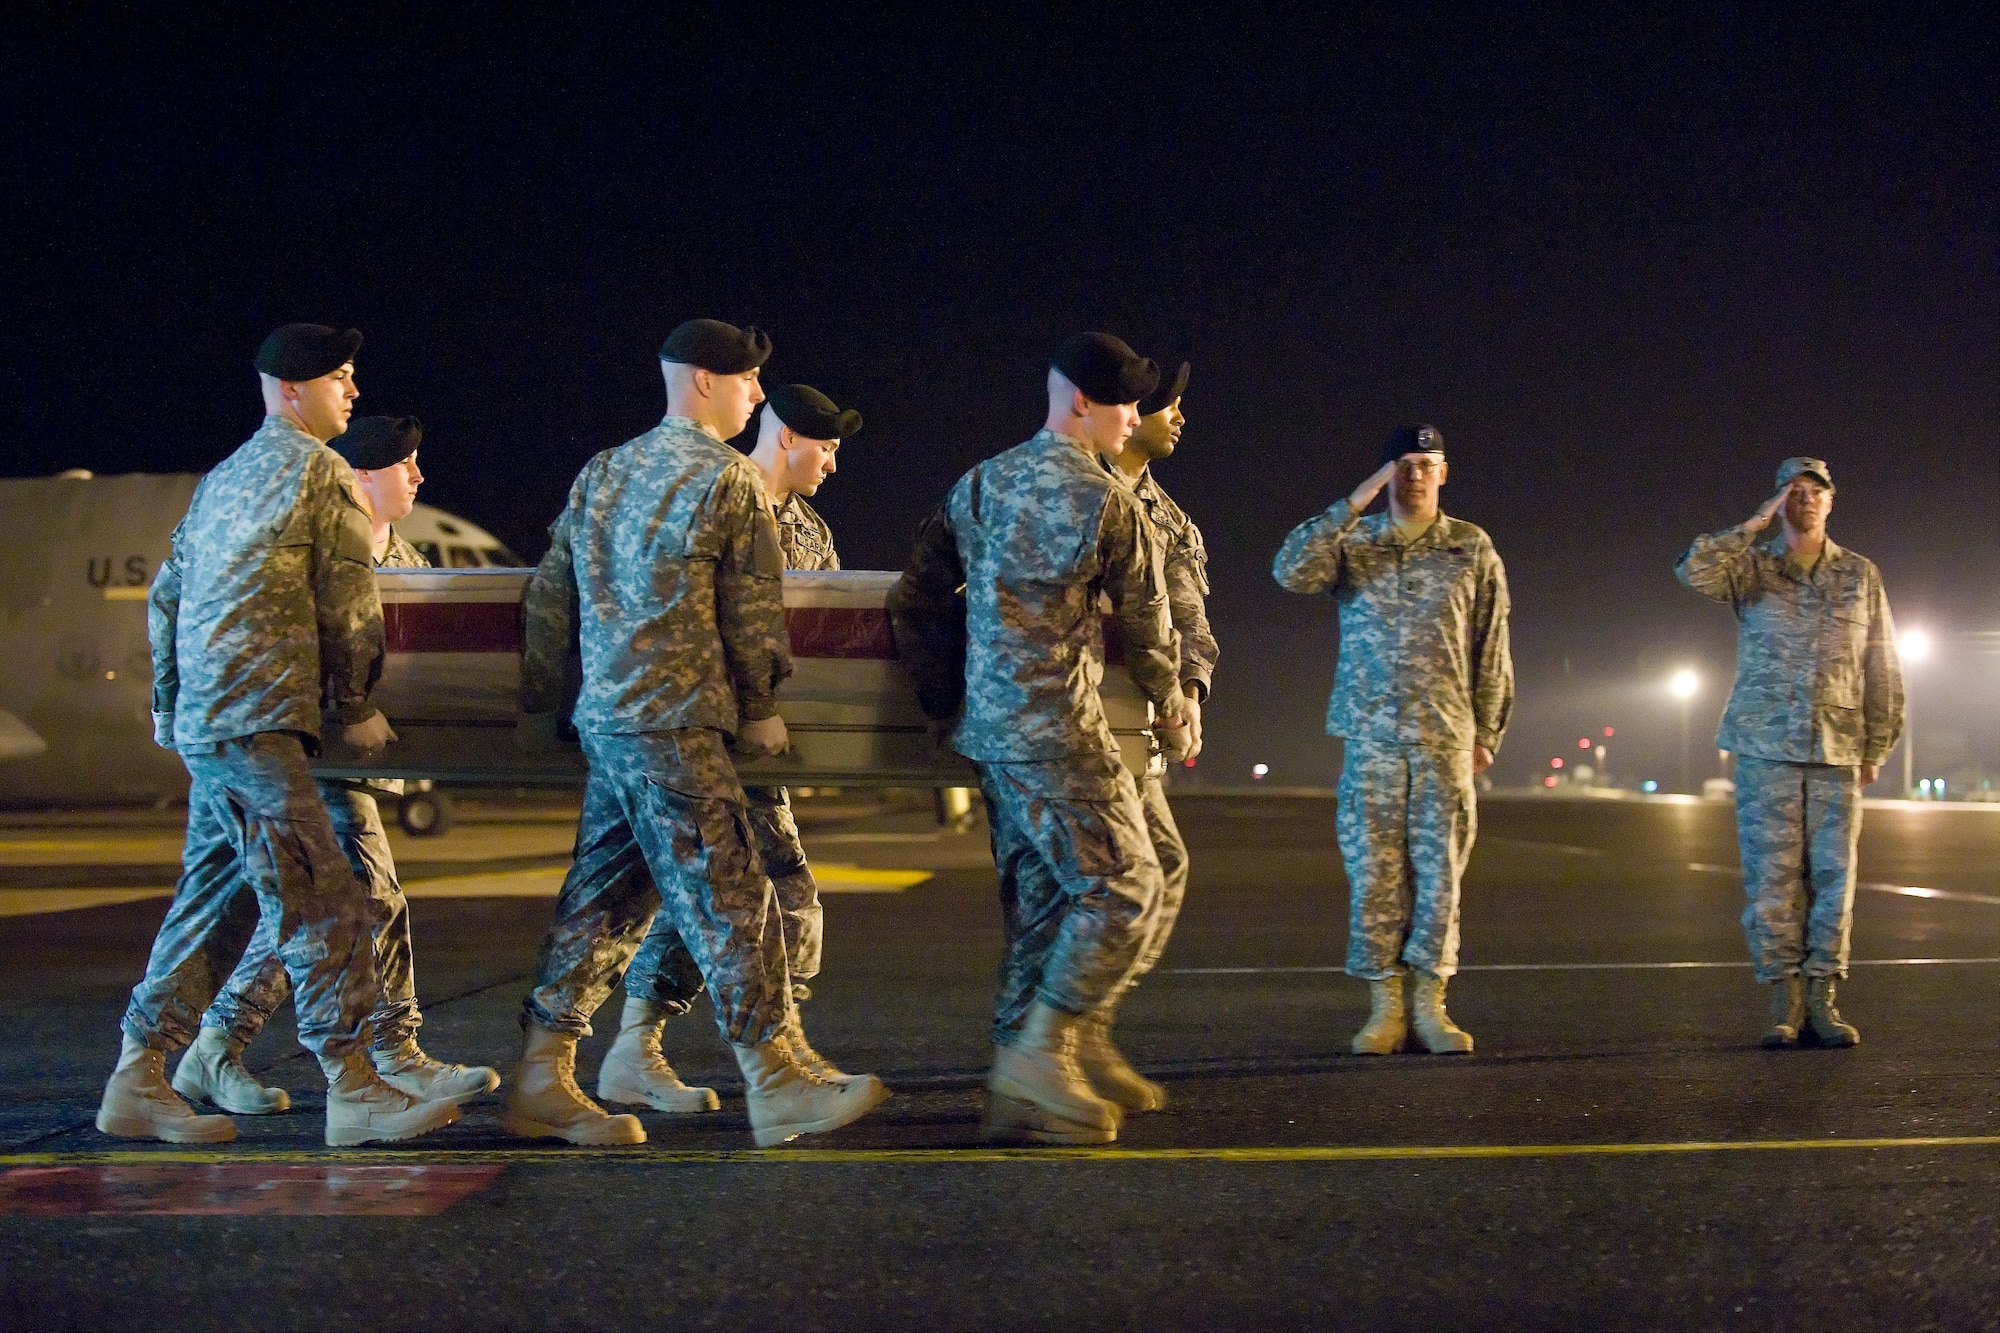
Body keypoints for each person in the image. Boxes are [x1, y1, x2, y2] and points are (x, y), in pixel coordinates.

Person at [506, 319, 888, 1147]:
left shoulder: (604, 470)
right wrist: (760, 707)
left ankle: (542, 1072)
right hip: (680, 720)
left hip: (609, 720)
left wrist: (543, 701)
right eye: (749, 381)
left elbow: (548, 591)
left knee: (605, 902)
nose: (756, 395)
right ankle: (778, 1078)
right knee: (736, 893)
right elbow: (753, 616)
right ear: (707, 381)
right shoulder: (728, 480)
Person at [98, 324, 462, 1147]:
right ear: (291, 390)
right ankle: (356, 1086)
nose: (354, 391)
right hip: (262, 717)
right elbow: (346, 600)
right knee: (324, 902)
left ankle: (139, 1075)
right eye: (340, 377)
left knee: (215, 906)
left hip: (212, 720)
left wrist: (169, 703)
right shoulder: (319, 471)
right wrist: (358, 702)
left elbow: (167, 594)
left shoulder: (224, 478)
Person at [889, 332, 1190, 1145]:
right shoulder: (1107, 501)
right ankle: (1040, 1053)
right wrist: (1171, 700)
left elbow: (915, 598)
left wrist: (946, 700)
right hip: (1061, 727)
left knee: (1045, 903)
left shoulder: (980, 484)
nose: (1136, 416)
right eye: (1125, 401)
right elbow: (1148, 623)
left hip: (990, 735)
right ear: (1082, 401)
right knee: (1127, 887)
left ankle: (1025, 1078)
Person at [171, 416, 499, 1116]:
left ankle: (217, 1045)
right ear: (361, 477)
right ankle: (390, 1057)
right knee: (369, 899)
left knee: (307, 914)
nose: (417, 476)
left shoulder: (409, 564)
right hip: (304, 754)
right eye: (403, 464)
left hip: (360, 765)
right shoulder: (314, 548)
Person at [603, 382, 866, 1112]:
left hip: (761, 748)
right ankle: (759, 1060)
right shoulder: (717, 493)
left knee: (754, 899)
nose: (833, 465)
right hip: (698, 735)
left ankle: (652, 1045)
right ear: (787, 436)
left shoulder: (810, 531)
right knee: (755, 898)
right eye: (827, 448)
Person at [1272, 425, 1513, 1057]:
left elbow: (1492, 643)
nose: (1414, 475)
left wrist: (1488, 730)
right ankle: (1384, 1007)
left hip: (1445, 733)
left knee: (1439, 876)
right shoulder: (1355, 543)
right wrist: (1352, 503)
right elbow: (1290, 570)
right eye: (1401, 465)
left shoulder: (1470, 545)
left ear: (1444, 471)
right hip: (1372, 735)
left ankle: (1431, 1005)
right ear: (1385, 474)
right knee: (1374, 874)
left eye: (1425, 464)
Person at [1676, 458, 1903, 1048]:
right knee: (1772, 880)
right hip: (1765, 746)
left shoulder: (1859, 574)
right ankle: (1784, 996)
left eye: (1816, 492)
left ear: (1832, 501)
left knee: (1834, 878)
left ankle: (1824, 995)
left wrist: (1878, 744)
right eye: (1793, 492)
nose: (1806, 500)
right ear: (1780, 500)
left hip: (1837, 747)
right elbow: (1692, 570)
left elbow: (1882, 665)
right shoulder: (1752, 568)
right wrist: (1753, 524)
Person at [1086, 359, 1216, 1111]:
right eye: (1172, 406)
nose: (1181, 419)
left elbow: (1188, 618)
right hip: (1071, 715)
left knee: (1159, 864)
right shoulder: (1078, 486)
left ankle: (1088, 1021)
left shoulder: (1168, 514)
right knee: (1113, 875)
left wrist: (1187, 689)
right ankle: (1062, 1034)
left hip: (1139, 721)